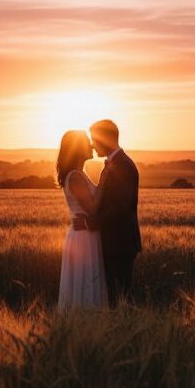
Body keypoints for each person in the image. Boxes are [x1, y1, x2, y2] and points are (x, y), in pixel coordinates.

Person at [72, 120, 141, 307]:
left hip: (121, 243)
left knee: (119, 298)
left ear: (106, 139)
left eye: (95, 139)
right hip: (116, 242)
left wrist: (90, 223)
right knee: (116, 298)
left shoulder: (123, 166)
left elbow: (120, 206)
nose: (93, 145)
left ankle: (124, 332)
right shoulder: (115, 163)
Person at [56, 130, 109, 309]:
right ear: (78, 149)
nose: (92, 145)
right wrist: (104, 179)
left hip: (85, 234)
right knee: (85, 281)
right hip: (83, 237)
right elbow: (92, 207)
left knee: (87, 282)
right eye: (87, 142)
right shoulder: (76, 176)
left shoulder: (79, 174)